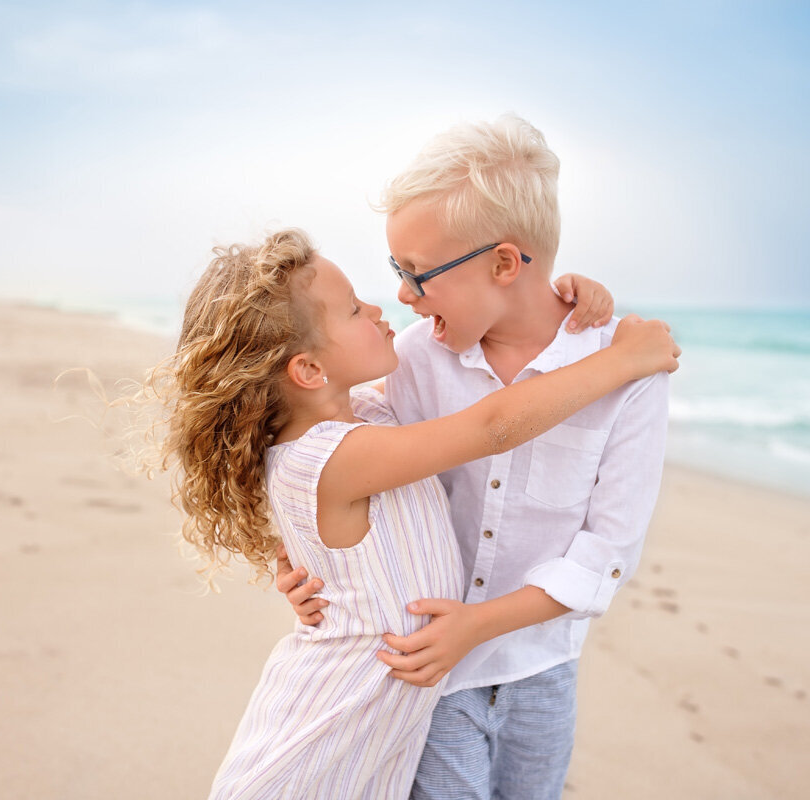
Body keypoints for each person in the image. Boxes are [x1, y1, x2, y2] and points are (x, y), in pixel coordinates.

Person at [156, 227, 679, 799]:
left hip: (383, 728)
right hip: (323, 738)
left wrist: (571, 309)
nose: (381, 306)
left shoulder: (372, 415)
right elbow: (493, 426)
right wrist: (623, 360)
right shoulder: (330, 458)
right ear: (307, 371)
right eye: (355, 309)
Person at [276, 115, 673, 799]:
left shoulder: (624, 368)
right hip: (427, 672)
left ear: (504, 263)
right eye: (397, 270)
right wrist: (295, 561)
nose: (403, 294)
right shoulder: (411, 361)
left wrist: (480, 627)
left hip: (541, 671)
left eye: (418, 273)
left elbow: (607, 549)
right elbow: (338, 463)